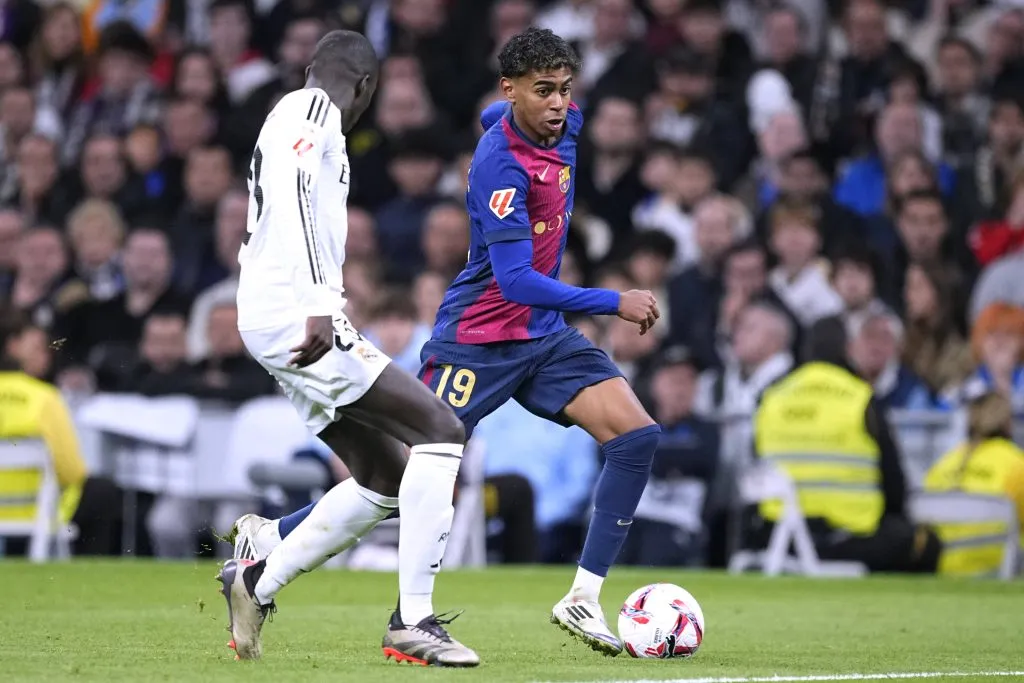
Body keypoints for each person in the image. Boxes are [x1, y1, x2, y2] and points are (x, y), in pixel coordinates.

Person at [232, 27, 662, 658]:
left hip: (542, 338)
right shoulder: (497, 165)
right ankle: (311, 566)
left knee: (636, 437)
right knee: (414, 465)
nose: (558, 105)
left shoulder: (561, 125)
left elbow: (500, 114)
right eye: (543, 92)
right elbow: (515, 280)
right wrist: (612, 302)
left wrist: (510, 114)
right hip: (478, 339)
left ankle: (582, 597)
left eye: (565, 91)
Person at [217, 30, 478, 667]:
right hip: (293, 312)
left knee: (385, 477)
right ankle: (413, 620)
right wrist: (317, 302)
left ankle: (257, 578)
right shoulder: (313, 111)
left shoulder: (296, 118)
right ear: (364, 87)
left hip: (272, 314)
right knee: (440, 430)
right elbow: (300, 201)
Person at [749, 317, 940, 573]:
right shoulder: (859, 397)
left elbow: (755, 466)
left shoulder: (771, 397)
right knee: (925, 544)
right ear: (848, 348)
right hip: (851, 538)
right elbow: (894, 482)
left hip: (781, 538)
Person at [924, 392, 1024, 577]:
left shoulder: (943, 464)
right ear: (1007, 423)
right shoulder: (1016, 464)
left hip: (940, 570)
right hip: (996, 571)